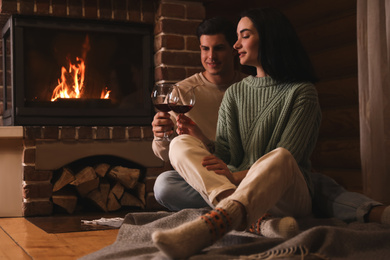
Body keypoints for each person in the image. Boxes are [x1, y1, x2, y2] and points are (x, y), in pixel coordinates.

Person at [150, 8, 389, 259]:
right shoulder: (236, 93)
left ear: (268, 38)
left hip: (284, 191)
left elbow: (292, 161)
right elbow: (227, 153)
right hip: (236, 184)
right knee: (179, 147)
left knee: (281, 156)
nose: (236, 44)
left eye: (244, 36)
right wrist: (201, 141)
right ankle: (255, 220)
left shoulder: (301, 92)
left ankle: (217, 222)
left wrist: (233, 176)